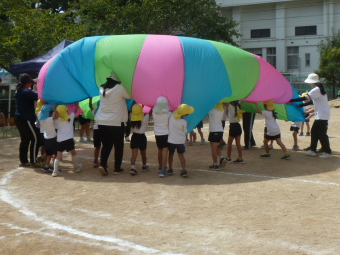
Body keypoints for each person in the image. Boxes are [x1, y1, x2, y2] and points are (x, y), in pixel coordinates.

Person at [95, 72, 131, 176]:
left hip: (102, 121)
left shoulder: (102, 89)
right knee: (118, 146)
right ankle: (117, 168)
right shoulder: (119, 88)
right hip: (116, 122)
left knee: (106, 145)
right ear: (117, 81)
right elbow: (129, 95)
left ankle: (103, 164)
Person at [290, 73, 332, 158]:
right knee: (316, 132)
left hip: (322, 115)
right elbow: (313, 102)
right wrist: (301, 106)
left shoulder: (316, 89)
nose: (309, 84)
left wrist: (291, 100)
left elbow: (304, 98)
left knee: (321, 133)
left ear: (312, 82)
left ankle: (327, 152)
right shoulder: (320, 89)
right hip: (323, 114)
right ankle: (314, 149)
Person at [14, 73, 40, 167]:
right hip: (26, 119)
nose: (31, 85)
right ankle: (33, 161)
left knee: (25, 139)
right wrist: (38, 87)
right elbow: (38, 96)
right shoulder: (26, 92)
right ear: (27, 83)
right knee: (36, 138)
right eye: (30, 83)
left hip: (19, 118)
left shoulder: (19, 91)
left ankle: (24, 161)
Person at [53, 104, 83, 177]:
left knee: (58, 156)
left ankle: (55, 171)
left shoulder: (57, 120)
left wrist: (55, 109)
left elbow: (55, 116)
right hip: (69, 139)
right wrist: (77, 104)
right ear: (66, 111)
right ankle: (76, 167)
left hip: (60, 140)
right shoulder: (70, 117)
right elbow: (75, 111)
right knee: (73, 153)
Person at [166, 104, 194, 178]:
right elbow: (185, 131)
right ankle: (184, 169)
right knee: (181, 155)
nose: (188, 114)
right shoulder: (184, 122)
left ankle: (170, 168)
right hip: (180, 141)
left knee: (170, 154)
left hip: (171, 140)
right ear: (184, 114)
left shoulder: (171, 117)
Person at [129, 104, 150, 175]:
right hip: (142, 136)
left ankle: (133, 167)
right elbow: (147, 112)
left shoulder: (131, 116)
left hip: (134, 136)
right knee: (143, 153)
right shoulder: (145, 117)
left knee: (134, 153)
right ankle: (144, 166)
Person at [153, 96, 171, 174]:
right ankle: (163, 170)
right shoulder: (168, 114)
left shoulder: (154, 113)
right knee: (165, 152)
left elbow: (156, 109)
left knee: (159, 151)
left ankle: (160, 166)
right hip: (165, 134)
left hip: (157, 134)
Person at [208, 101, 228, 170]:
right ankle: (222, 158)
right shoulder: (221, 109)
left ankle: (215, 164)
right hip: (220, 130)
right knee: (217, 147)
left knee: (213, 149)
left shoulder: (212, 110)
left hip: (214, 130)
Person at [38, 104, 57, 172]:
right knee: (55, 153)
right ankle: (56, 167)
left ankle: (46, 166)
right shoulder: (49, 119)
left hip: (46, 138)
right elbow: (57, 116)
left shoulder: (41, 119)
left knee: (49, 153)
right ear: (50, 113)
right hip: (52, 138)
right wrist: (55, 108)